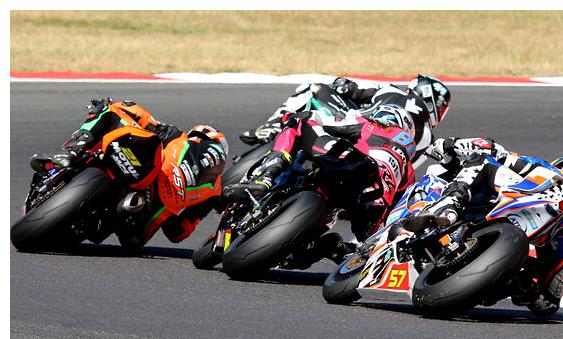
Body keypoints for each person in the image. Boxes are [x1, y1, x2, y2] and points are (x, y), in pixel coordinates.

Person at [395, 136, 563, 316]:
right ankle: (505, 279)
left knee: (483, 161)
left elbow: (496, 152)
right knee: (546, 296)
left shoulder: (548, 170)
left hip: (552, 195)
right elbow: (547, 306)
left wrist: (449, 144)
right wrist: (525, 288)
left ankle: (449, 205)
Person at [225, 105, 418, 268]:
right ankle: (334, 249)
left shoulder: (371, 124)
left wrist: (289, 117)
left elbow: (325, 122)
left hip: (346, 162)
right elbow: (399, 208)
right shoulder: (409, 169)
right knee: (363, 243)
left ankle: (266, 176)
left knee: (300, 120)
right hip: (371, 202)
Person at [29, 98, 228, 253]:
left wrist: (118, 108)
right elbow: (177, 233)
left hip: (136, 210)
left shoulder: (176, 135)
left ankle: (72, 150)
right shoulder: (213, 192)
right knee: (112, 112)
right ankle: (73, 154)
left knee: (110, 110)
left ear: (195, 136)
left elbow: (133, 113)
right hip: (136, 231)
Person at [240, 75, 451, 167]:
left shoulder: (392, 90)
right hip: (379, 159)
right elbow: (409, 166)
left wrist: (343, 85)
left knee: (314, 87)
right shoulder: (427, 138)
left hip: (352, 125)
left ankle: (272, 127)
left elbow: (351, 90)